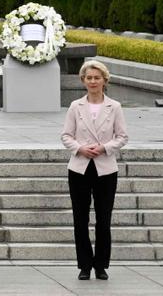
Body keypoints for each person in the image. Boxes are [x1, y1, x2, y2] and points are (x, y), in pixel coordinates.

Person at [61, 60, 128, 281]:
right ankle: (84, 265)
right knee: (80, 219)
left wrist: (104, 148)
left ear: (104, 80)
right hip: (79, 168)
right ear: (83, 81)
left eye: (96, 78)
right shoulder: (75, 106)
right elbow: (66, 136)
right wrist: (80, 148)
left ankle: (101, 265)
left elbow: (122, 137)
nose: (93, 81)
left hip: (105, 169)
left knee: (103, 219)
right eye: (89, 78)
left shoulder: (115, 106)